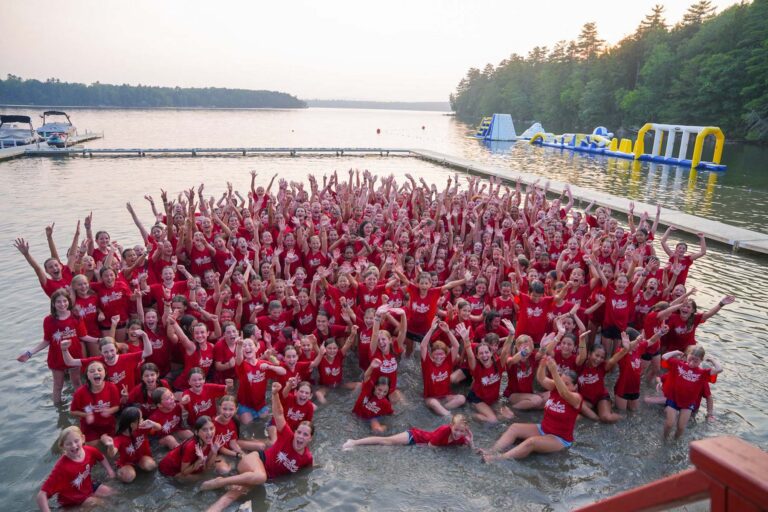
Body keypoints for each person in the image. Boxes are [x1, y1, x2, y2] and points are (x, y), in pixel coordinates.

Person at [200, 382, 314, 512]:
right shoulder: (288, 435)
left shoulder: (307, 458)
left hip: (259, 477)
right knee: (260, 477)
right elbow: (279, 414)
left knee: (233, 494)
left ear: (310, 439)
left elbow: (309, 473)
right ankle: (220, 482)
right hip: (256, 460)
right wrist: (275, 394)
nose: (300, 436)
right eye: (299, 432)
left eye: (305, 435)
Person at [481, 356, 583, 461]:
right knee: (514, 427)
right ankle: (491, 451)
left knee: (532, 442)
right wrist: (542, 365)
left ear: (575, 387)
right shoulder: (556, 386)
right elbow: (541, 378)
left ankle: (498, 458)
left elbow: (564, 393)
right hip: (544, 429)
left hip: (560, 439)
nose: (562, 385)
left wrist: (554, 372)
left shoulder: (576, 398)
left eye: (567, 384)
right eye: (562, 382)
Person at [17, 289, 98, 405]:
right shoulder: (48, 320)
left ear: (69, 302)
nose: (62, 304)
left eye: (64, 301)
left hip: (74, 354)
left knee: (76, 381)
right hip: (56, 356)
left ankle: (83, 405)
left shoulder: (76, 317)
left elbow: (83, 336)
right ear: (53, 304)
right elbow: (46, 341)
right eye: (58, 302)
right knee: (58, 385)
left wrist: (99, 340)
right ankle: (59, 410)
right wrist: (29, 353)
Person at [37, 426, 115, 511]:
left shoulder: (89, 451)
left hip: (87, 487)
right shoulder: (61, 467)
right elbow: (41, 495)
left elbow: (101, 457)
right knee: (98, 503)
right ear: (63, 446)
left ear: (83, 439)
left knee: (112, 493)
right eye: (68, 444)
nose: (73, 446)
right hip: (71, 500)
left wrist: (110, 470)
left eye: (76, 441)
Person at [661, 346, 721, 439]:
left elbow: (719, 369)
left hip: (688, 403)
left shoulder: (702, 373)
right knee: (669, 423)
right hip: (674, 398)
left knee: (681, 427)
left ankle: (675, 441)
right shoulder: (678, 365)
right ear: (686, 356)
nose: (692, 363)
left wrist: (713, 360)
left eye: (696, 361)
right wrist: (676, 351)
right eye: (690, 359)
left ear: (701, 361)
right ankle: (664, 439)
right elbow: (664, 357)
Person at [342, 414, 473, 450]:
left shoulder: (461, 438)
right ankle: (354, 442)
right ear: (451, 426)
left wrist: (470, 441)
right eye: (456, 430)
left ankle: (358, 446)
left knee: (383, 448)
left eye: (462, 431)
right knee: (386, 440)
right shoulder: (444, 430)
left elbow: (473, 450)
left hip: (416, 444)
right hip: (414, 437)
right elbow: (431, 446)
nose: (458, 433)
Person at [100, 406, 160, 483]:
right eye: (141, 419)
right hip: (127, 462)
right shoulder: (119, 438)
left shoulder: (142, 427)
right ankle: (120, 471)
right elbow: (112, 454)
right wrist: (110, 445)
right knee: (128, 477)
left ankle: (139, 466)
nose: (143, 420)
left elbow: (159, 428)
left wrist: (153, 424)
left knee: (150, 465)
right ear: (132, 424)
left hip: (142, 458)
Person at [420, 319, 466, 416]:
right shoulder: (427, 363)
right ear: (431, 355)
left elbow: (456, 346)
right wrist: (431, 330)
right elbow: (423, 346)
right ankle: (448, 417)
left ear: (445, 355)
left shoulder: (448, 362)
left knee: (462, 398)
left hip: (446, 396)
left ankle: (442, 410)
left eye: (441, 354)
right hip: (431, 398)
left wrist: (448, 332)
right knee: (434, 403)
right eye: (436, 355)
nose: (439, 357)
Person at [158, 415, 224, 481]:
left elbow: (208, 466)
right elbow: (184, 472)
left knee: (206, 474)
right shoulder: (191, 447)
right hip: (168, 470)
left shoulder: (209, 440)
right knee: (202, 479)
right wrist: (199, 461)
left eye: (211, 428)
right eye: (204, 430)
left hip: (185, 464)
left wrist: (214, 452)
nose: (209, 433)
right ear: (196, 432)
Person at [70, 360, 121, 444]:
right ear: (87, 376)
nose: (96, 372)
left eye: (99, 370)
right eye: (92, 371)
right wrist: (86, 415)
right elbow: (72, 412)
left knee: (111, 446)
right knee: (93, 448)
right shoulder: (80, 392)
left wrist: (109, 411)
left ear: (105, 373)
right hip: (89, 427)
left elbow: (117, 406)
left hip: (108, 424)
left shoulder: (112, 387)